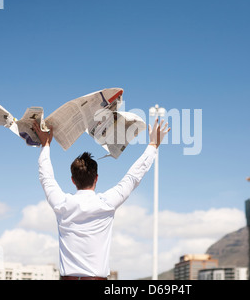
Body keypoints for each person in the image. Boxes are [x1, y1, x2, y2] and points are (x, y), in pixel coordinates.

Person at [33, 118, 170, 280]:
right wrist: (153, 145)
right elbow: (133, 176)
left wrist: (45, 145)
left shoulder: (62, 204)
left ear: (73, 180)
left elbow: (46, 178)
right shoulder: (106, 203)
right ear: (96, 178)